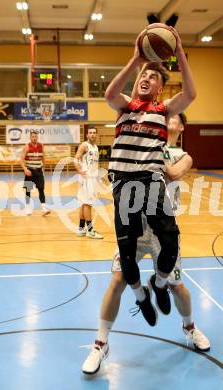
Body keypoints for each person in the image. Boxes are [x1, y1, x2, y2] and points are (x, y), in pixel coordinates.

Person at [82, 114, 210, 375]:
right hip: (135, 225)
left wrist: (148, 158)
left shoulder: (184, 156)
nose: (167, 120)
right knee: (117, 280)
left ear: (181, 126)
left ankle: (189, 327)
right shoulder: (140, 143)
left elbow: (173, 173)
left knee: (178, 287)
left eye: (173, 118)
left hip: (163, 230)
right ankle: (100, 343)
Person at [104, 27, 196, 327]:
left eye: (153, 76)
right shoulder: (125, 107)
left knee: (170, 242)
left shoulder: (164, 110)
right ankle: (142, 296)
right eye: (143, 75)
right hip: (123, 184)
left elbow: (191, 93)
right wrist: (136, 59)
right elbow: (109, 93)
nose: (146, 78)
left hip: (150, 180)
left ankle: (158, 283)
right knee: (127, 258)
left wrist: (179, 49)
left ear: (160, 89)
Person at [74, 127, 103, 239]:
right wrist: (80, 171)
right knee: (88, 203)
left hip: (92, 177)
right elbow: (76, 159)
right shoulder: (84, 145)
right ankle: (90, 230)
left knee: (83, 202)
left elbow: (94, 164)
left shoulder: (95, 147)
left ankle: (81, 229)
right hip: (87, 178)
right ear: (87, 135)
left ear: (96, 135)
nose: (92, 134)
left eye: (94, 133)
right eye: (90, 133)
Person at [20, 131, 50, 216]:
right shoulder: (27, 147)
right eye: (32, 136)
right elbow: (21, 160)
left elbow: (43, 157)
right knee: (28, 189)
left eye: (35, 136)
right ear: (30, 137)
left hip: (38, 171)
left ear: (37, 137)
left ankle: (44, 208)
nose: (34, 138)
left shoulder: (41, 146)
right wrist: (25, 169)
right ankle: (27, 207)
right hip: (29, 171)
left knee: (41, 189)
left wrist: (43, 168)